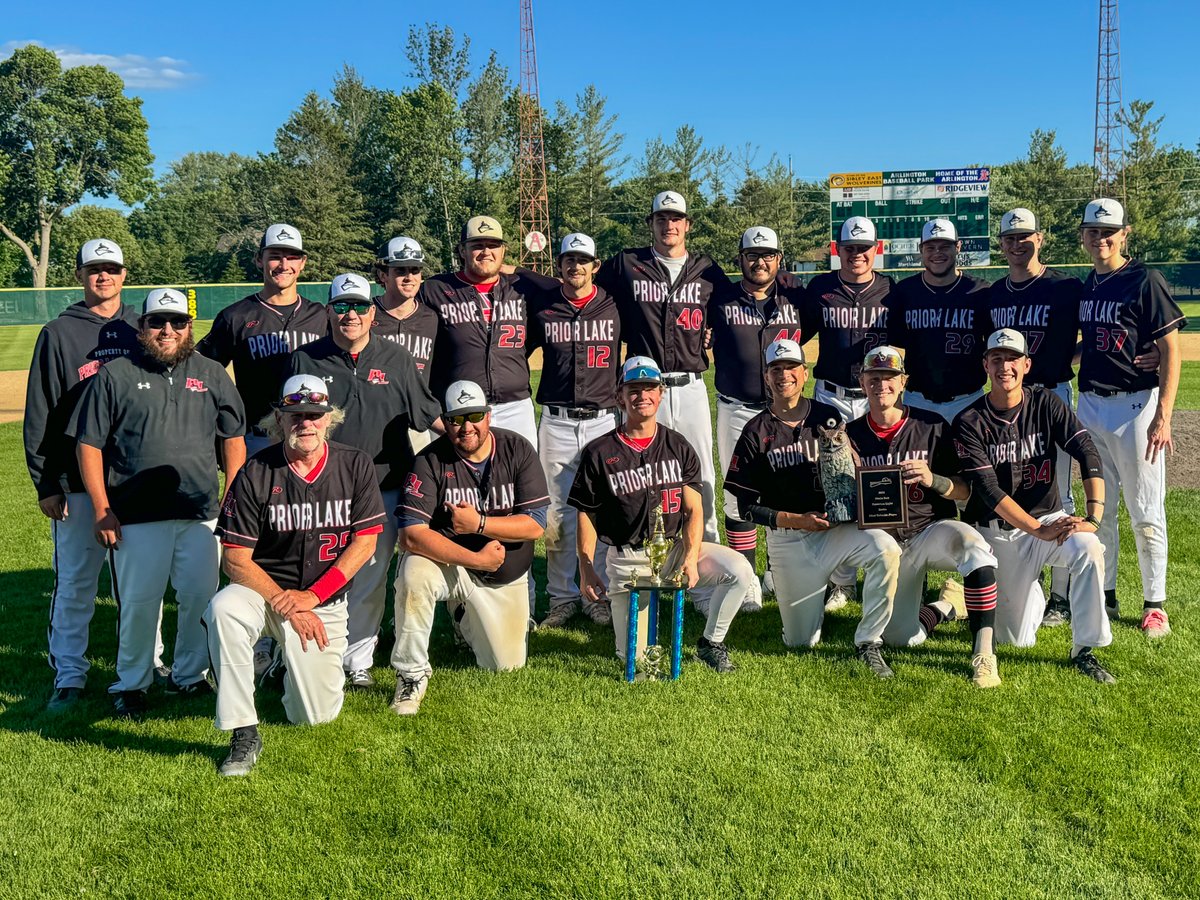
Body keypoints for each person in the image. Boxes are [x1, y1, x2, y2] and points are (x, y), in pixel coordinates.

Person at [73, 289, 247, 716]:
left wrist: (231, 496)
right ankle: (132, 682)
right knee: (138, 603)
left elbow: (234, 438)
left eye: (177, 321)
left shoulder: (210, 372)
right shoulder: (116, 374)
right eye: (157, 322)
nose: (167, 330)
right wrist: (101, 508)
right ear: (142, 327)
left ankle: (189, 676)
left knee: (199, 599)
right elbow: (89, 444)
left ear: (190, 326)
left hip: (201, 511)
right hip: (135, 514)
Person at [203, 376, 386, 776]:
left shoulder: (354, 464)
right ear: (279, 421)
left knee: (314, 717)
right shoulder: (256, 470)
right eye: (295, 416)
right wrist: (286, 601)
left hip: (322, 602)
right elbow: (234, 559)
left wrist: (312, 598)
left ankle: (281, 665)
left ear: (328, 420)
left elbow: (366, 544)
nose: (306, 423)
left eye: (314, 415)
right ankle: (243, 732)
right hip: (263, 593)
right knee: (223, 609)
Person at [289, 273, 441, 689]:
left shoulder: (396, 358)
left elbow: (427, 415)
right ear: (329, 312)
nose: (350, 314)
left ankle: (357, 660)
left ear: (373, 312)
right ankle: (312, 652)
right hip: (323, 485)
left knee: (371, 575)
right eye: (341, 306)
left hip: (384, 482)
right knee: (319, 571)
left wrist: (478, 432)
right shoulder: (306, 361)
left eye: (358, 306)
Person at [24, 239, 157, 710]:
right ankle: (70, 674)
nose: (104, 277)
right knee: (78, 582)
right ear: (80, 275)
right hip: (78, 482)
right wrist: (46, 481)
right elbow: (40, 409)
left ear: (125, 275)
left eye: (112, 269)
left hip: (136, 479)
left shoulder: (146, 326)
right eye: (94, 269)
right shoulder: (59, 333)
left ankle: (147, 665)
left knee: (140, 583)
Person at [723, 340, 902, 678]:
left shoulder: (828, 418)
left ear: (805, 374)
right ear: (767, 376)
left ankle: (869, 641)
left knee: (885, 549)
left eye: (792, 368)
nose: (784, 375)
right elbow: (745, 508)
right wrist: (796, 520)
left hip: (838, 532)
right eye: (776, 369)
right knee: (801, 642)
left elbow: (863, 470)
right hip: (790, 540)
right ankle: (811, 600)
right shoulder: (756, 430)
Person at [569, 356, 758, 674]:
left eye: (649, 388)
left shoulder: (677, 445)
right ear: (620, 396)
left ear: (661, 394)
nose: (642, 395)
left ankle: (711, 643)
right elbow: (586, 514)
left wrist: (691, 554)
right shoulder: (599, 452)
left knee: (739, 571)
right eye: (634, 388)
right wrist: (586, 567)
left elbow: (694, 509)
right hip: (629, 560)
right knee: (640, 665)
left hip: (673, 549)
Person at [953, 328, 1115, 683]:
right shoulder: (969, 421)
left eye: (1012, 359)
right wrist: (1038, 530)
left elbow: (1087, 451)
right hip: (1000, 534)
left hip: (1049, 522)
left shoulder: (1046, 403)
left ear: (1026, 365)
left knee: (1088, 547)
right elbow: (989, 491)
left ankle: (1084, 649)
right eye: (996, 358)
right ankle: (963, 601)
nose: (1004, 367)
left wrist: (1093, 516)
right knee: (1017, 638)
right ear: (985, 365)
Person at [845, 346, 1002, 687]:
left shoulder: (931, 426)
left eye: (889, 378)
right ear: (862, 381)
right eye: (874, 377)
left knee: (974, 547)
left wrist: (934, 479)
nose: (881, 384)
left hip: (930, 531)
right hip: (886, 545)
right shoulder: (850, 436)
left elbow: (966, 490)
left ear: (903, 382)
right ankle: (946, 606)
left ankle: (984, 654)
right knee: (902, 638)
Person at [390, 380, 549, 715]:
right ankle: (410, 674)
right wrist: (474, 557)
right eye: (456, 419)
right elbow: (410, 536)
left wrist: (479, 525)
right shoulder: (430, 460)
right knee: (413, 572)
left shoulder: (517, 449)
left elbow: (535, 524)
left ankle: (462, 616)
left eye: (474, 415)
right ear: (445, 422)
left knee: (505, 665)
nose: (466, 427)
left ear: (488, 416)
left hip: (504, 577)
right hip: (452, 565)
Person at [1074, 198, 1185, 638]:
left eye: (1108, 232)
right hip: (1092, 405)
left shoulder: (1144, 278)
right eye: (1093, 232)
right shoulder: (1091, 282)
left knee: (1144, 510)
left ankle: (1155, 602)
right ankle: (1106, 592)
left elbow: (1171, 349)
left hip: (1136, 407)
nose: (1100, 239)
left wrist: (1165, 415)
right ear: (1083, 236)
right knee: (1101, 509)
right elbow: (1099, 342)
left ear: (1125, 233)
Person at [596, 191, 732, 542]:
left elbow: (735, 304)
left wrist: (713, 330)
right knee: (640, 470)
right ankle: (643, 546)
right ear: (650, 224)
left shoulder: (707, 269)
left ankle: (707, 547)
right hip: (643, 389)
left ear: (687, 225)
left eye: (675, 219)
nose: (668, 225)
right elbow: (580, 284)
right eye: (661, 219)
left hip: (689, 386)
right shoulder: (626, 264)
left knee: (699, 470)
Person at [988, 207, 1084, 627]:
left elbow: (1101, 327)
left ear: (1040, 239)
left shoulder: (1066, 287)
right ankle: (1022, 578)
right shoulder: (992, 294)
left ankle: (1061, 598)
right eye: (1009, 238)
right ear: (1001, 244)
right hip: (1008, 401)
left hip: (1050, 396)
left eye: (1024, 237)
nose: (1017, 244)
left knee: (1059, 492)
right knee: (1015, 489)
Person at [525, 233, 622, 629]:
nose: (576, 267)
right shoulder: (545, 308)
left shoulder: (616, 305)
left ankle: (596, 593)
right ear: (559, 265)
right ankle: (562, 597)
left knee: (600, 508)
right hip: (558, 420)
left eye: (584, 260)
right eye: (569, 260)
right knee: (558, 513)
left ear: (596, 266)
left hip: (603, 418)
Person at [800, 216, 894, 611]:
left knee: (880, 479)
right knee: (835, 484)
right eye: (850, 248)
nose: (857, 254)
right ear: (837, 249)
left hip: (876, 395)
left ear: (878, 249)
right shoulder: (821, 288)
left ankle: (885, 566)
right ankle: (841, 580)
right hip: (833, 396)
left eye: (865, 248)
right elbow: (792, 333)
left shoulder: (892, 291)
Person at [707, 226, 803, 595]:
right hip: (737, 408)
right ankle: (745, 578)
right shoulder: (720, 299)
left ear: (779, 259)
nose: (759, 262)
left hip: (784, 411)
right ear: (740, 260)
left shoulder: (797, 298)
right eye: (752, 255)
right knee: (736, 493)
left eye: (767, 255)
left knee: (787, 488)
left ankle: (779, 573)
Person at [196, 223, 329, 456]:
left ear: (303, 263)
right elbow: (201, 370)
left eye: (292, 257)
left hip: (311, 434)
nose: (284, 265)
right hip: (257, 438)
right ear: (259, 259)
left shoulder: (320, 315)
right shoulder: (235, 316)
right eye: (275, 257)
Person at [419, 216, 541, 446]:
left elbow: (558, 289)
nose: (486, 251)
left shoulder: (521, 288)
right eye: (477, 245)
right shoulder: (436, 289)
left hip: (515, 407)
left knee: (518, 476)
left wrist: (519, 270)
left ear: (503, 251)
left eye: (493, 245)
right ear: (462, 250)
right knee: (458, 480)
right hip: (457, 407)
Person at [885, 218, 991, 422]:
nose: (937, 253)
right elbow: (894, 340)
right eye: (930, 247)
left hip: (968, 400)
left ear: (958, 247)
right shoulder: (905, 291)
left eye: (945, 246)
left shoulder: (980, 291)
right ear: (921, 249)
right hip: (918, 399)